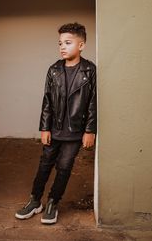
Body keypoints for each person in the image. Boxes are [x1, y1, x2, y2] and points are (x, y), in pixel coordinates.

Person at [15, 22, 97, 224]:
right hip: (54, 129)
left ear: (81, 45)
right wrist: (44, 127)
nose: (62, 47)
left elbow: (93, 103)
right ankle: (35, 200)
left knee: (64, 167)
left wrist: (90, 130)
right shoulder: (53, 70)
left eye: (68, 42)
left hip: (75, 132)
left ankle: (53, 201)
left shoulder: (89, 70)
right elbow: (47, 102)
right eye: (60, 43)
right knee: (44, 165)